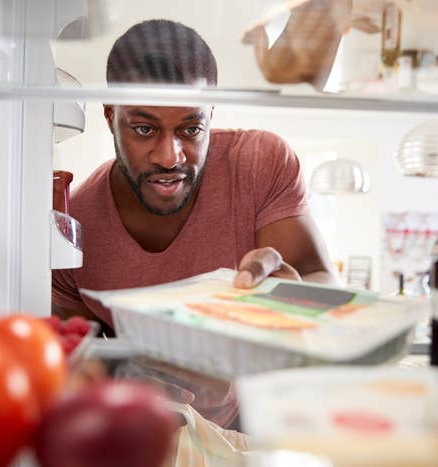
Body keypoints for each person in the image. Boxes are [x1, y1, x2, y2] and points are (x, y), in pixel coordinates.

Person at [51, 19, 336, 427]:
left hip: (260, 423)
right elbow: (75, 354)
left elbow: (320, 279)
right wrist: (127, 376)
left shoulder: (259, 163)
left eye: (191, 128)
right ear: (110, 115)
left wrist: (294, 304)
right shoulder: (74, 226)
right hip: (144, 436)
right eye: (144, 128)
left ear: (211, 115)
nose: (170, 156)